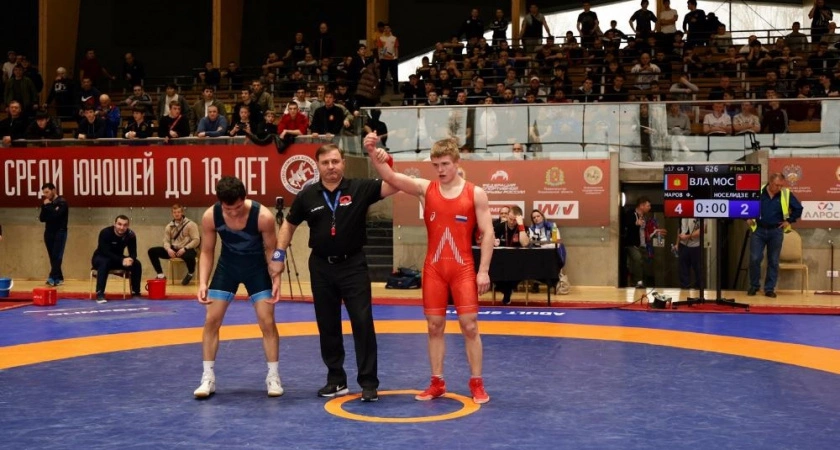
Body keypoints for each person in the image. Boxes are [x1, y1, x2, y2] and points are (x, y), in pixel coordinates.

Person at [364, 133, 492, 404]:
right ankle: (437, 382)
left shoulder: (475, 193)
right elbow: (392, 178)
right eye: (436, 165)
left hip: (463, 269)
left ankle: (477, 383)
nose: (440, 170)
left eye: (445, 164)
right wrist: (374, 153)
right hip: (434, 269)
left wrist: (484, 270)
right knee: (434, 326)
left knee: (470, 326)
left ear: (456, 162)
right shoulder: (425, 189)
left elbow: (488, 233)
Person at [276, 143, 400, 403]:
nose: (331, 167)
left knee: (362, 322)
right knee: (327, 324)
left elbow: (394, 184)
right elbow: (289, 224)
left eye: (335, 161)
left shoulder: (360, 188)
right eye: (325, 163)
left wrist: (384, 160)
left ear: (343, 162)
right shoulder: (307, 195)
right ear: (317, 166)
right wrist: (278, 254)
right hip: (321, 266)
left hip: (353, 265)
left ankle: (368, 382)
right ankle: (336, 380)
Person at [194, 176, 283, 398]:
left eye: (237, 208)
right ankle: (208, 377)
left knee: (267, 321)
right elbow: (206, 251)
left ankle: (273, 376)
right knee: (211, 320)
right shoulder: (210, 216)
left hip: (257, 269)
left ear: (244, 198)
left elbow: (271, 250)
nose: (233, 213)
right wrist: (202, 282)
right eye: (228, 209)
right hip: (227, 268)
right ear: (220, 203)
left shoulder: (263, 217)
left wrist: (276, 279)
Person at [746, 173, 803, 298]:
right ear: (770, 182)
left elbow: (798, 208)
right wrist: (747, 217)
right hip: (758, 230)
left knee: (773, 260)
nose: (779, 188)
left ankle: (769, 289)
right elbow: (745, 206)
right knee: (755, 258)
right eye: (777, 185)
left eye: (781, 185)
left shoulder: (785, 193)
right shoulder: (758, 192)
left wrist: (789, 221)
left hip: (776, 231)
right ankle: (754, 286)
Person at [91, 215, 142, 303]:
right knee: (105, 262)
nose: (122, 227)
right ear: (114, 224)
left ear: (128, 226)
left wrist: (131, 259)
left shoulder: (131, 235)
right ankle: (100, 293)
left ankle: (135, 292)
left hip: (117, 258)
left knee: (137, 264)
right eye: (119, 224)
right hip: (101, 257)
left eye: (125, 225)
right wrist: (121, 260)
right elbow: (105, 251)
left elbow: (133, 253)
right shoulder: (105, 232)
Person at [148, 204, 200, 285]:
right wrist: (168, 249)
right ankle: (160, 275)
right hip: (174, 249)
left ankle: (190, 273)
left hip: (187, 248)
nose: (177, 214)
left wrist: (185, 248)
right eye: (174, 212)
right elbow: (166, 241)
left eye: (178, 212)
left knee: (189, 256)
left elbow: (196, 240)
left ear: (182, 212)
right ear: (172, 213)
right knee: (152, 251)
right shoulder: (169, 226)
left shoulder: (191, 224)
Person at [621, 196, 666, 288]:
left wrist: (655, 232)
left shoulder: (644, 217)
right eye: (648, 206)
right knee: (637, 259)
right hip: (632, 244)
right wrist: (635, 224)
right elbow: (626, 226)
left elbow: (644, 232)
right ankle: (638, 281)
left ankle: (643, 283)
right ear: (641, 206)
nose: (650, 208)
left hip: (643, 244)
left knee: (645, 264)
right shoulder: (630, 214)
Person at [494, 205, 530, 305]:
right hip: (500, 260)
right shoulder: (499, 227)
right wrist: (493, 242)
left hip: (517, 261)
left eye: (515, 220)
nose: (511, 222)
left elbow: (525, 243)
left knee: (516, 271)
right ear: (507, 216)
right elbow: (490, 241)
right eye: (510, 219)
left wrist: (521, 226)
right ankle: (507, 291)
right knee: (492, 270)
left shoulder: (523, 228)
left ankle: (506, 292)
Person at [39, 183, 69, 286]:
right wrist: (45, 207)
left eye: (47, 192)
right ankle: (59, 277)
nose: (45, 195)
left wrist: (48, 206)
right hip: (49, 232)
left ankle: (52, 277)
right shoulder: (46, 203)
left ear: (54, 190)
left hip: (60, 231)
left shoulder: (62, 202)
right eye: (44, 193)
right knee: (52, 256)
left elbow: (57, 215)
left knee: (57, 255)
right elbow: (42, 218)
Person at [676, 218, 703, 290]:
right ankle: (684, 289)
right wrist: (677, 244)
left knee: (698, 270)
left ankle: (698, 290)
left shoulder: (700, 215)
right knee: (683, 272)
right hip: (683, 245)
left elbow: (702, 230)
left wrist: (687, 236)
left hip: (696, 246)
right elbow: (680, 229)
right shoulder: (682, 215)